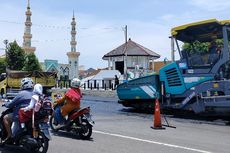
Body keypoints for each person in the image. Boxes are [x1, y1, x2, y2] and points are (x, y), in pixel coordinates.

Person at [3, 77, 33, 142]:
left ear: (23, 85)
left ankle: (9, 135)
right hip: (32, 115)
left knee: (5, 118)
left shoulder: (21, 94)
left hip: (22, 115)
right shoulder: (35, 92)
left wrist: (6, 104)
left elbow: (10, 104)